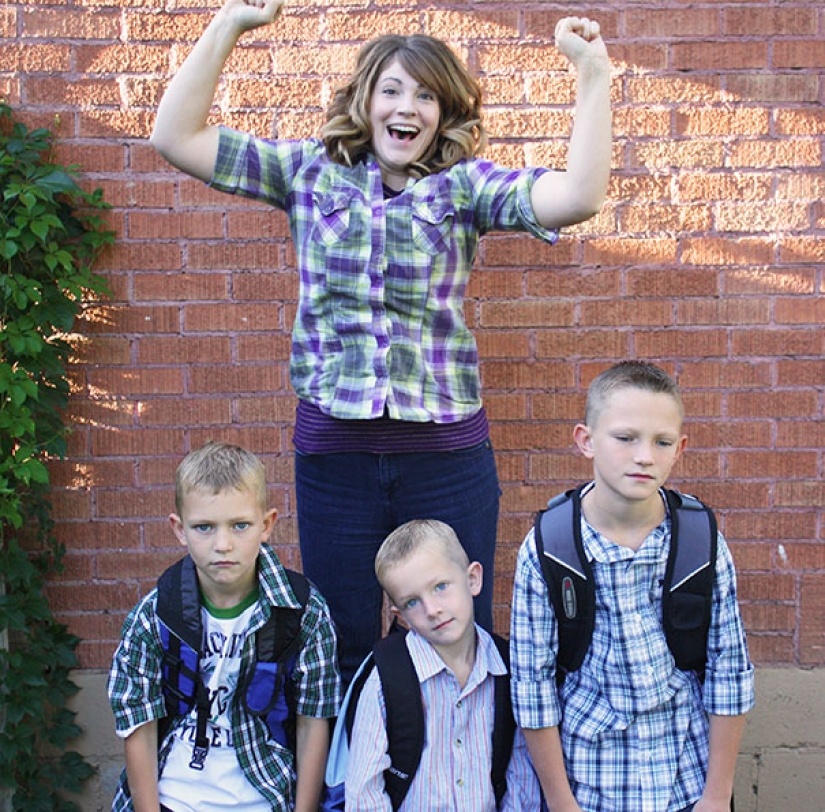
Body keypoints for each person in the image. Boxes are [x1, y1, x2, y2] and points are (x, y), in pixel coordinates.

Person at [149, 0, 612, 681]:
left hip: (446, 460)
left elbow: (576, 196)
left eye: (426, 94)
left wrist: (592, 74)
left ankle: (454, 783)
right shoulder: (306, 172)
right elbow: (174, 136)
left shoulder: (466, 188)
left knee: (459, 640)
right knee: (338, 638)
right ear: (365, 100)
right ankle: (349, 784)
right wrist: (230, 25)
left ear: (444, 111)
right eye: (391, 88)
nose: (407, 107)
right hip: (336, 460)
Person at [510, 361, 755, 812]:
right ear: (586, 440)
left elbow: (729, 671)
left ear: (679, 447)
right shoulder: (550, 548)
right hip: (589, 787)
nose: (645, 456)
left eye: (661, 442)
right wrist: (562, 803)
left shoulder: (699, 542)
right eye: (626, 438)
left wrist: (718, 795)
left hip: (686, 782)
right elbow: (532, 688)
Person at [107, 442, 341, 812]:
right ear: (179, 529)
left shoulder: (303, 611)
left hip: (264, 795)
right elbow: (139, 724)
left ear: (267, 525)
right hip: (174, 798)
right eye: (204, 527)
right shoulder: (155, 614)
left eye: (240, 525)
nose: (222, 544)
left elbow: (314, 720)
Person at [344, 519, 542, 810]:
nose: (432, 610)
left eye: (440, 587)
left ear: (473, 579)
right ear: (401, 617)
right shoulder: (386, 680)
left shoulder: (507, 670)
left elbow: (521, 777)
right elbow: (365, 794)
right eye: (413, 602)